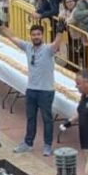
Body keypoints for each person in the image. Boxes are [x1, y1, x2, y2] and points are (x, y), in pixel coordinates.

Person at [13, 22, 65, 157]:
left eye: (38, 34)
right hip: (31, 89)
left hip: (46, 91)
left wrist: (60, 32)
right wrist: (1, 25)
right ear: (30, 36)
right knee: (31, 118)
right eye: (34, 34)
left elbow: (56, 45)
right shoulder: (27, 47)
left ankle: (47, 145)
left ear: (42, 35)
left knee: (47, 119)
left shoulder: (48, 49)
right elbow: (12, 38)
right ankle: (28, 143)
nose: (36, 37)